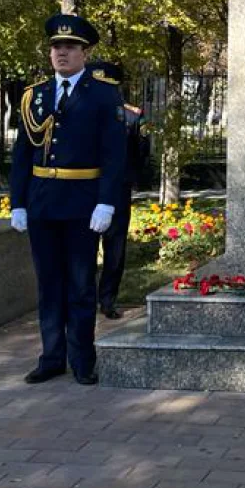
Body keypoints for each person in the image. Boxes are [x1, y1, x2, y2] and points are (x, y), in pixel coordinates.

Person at [9, 14, 126, 385]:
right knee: (48, 284)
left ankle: (81, 359)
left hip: (82, 202)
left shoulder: (104, 94)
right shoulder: (35, 95)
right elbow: (22, 155)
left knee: (79, 285)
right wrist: (18, 203)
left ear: (84, 52)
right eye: (57, 47)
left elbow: (114, 156)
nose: (62, 53)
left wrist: (106, 202)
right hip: (43, 201)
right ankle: (51, 356)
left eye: (70, 47)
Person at [90, 60, 150, 319]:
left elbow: (141, 152)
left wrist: (129, 180)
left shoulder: (132, 115)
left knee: (115, 247)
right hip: (84, 187)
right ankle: (84, 297)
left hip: (117, 189)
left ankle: (107, 299)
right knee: (83, 247)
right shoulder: (79, 112)